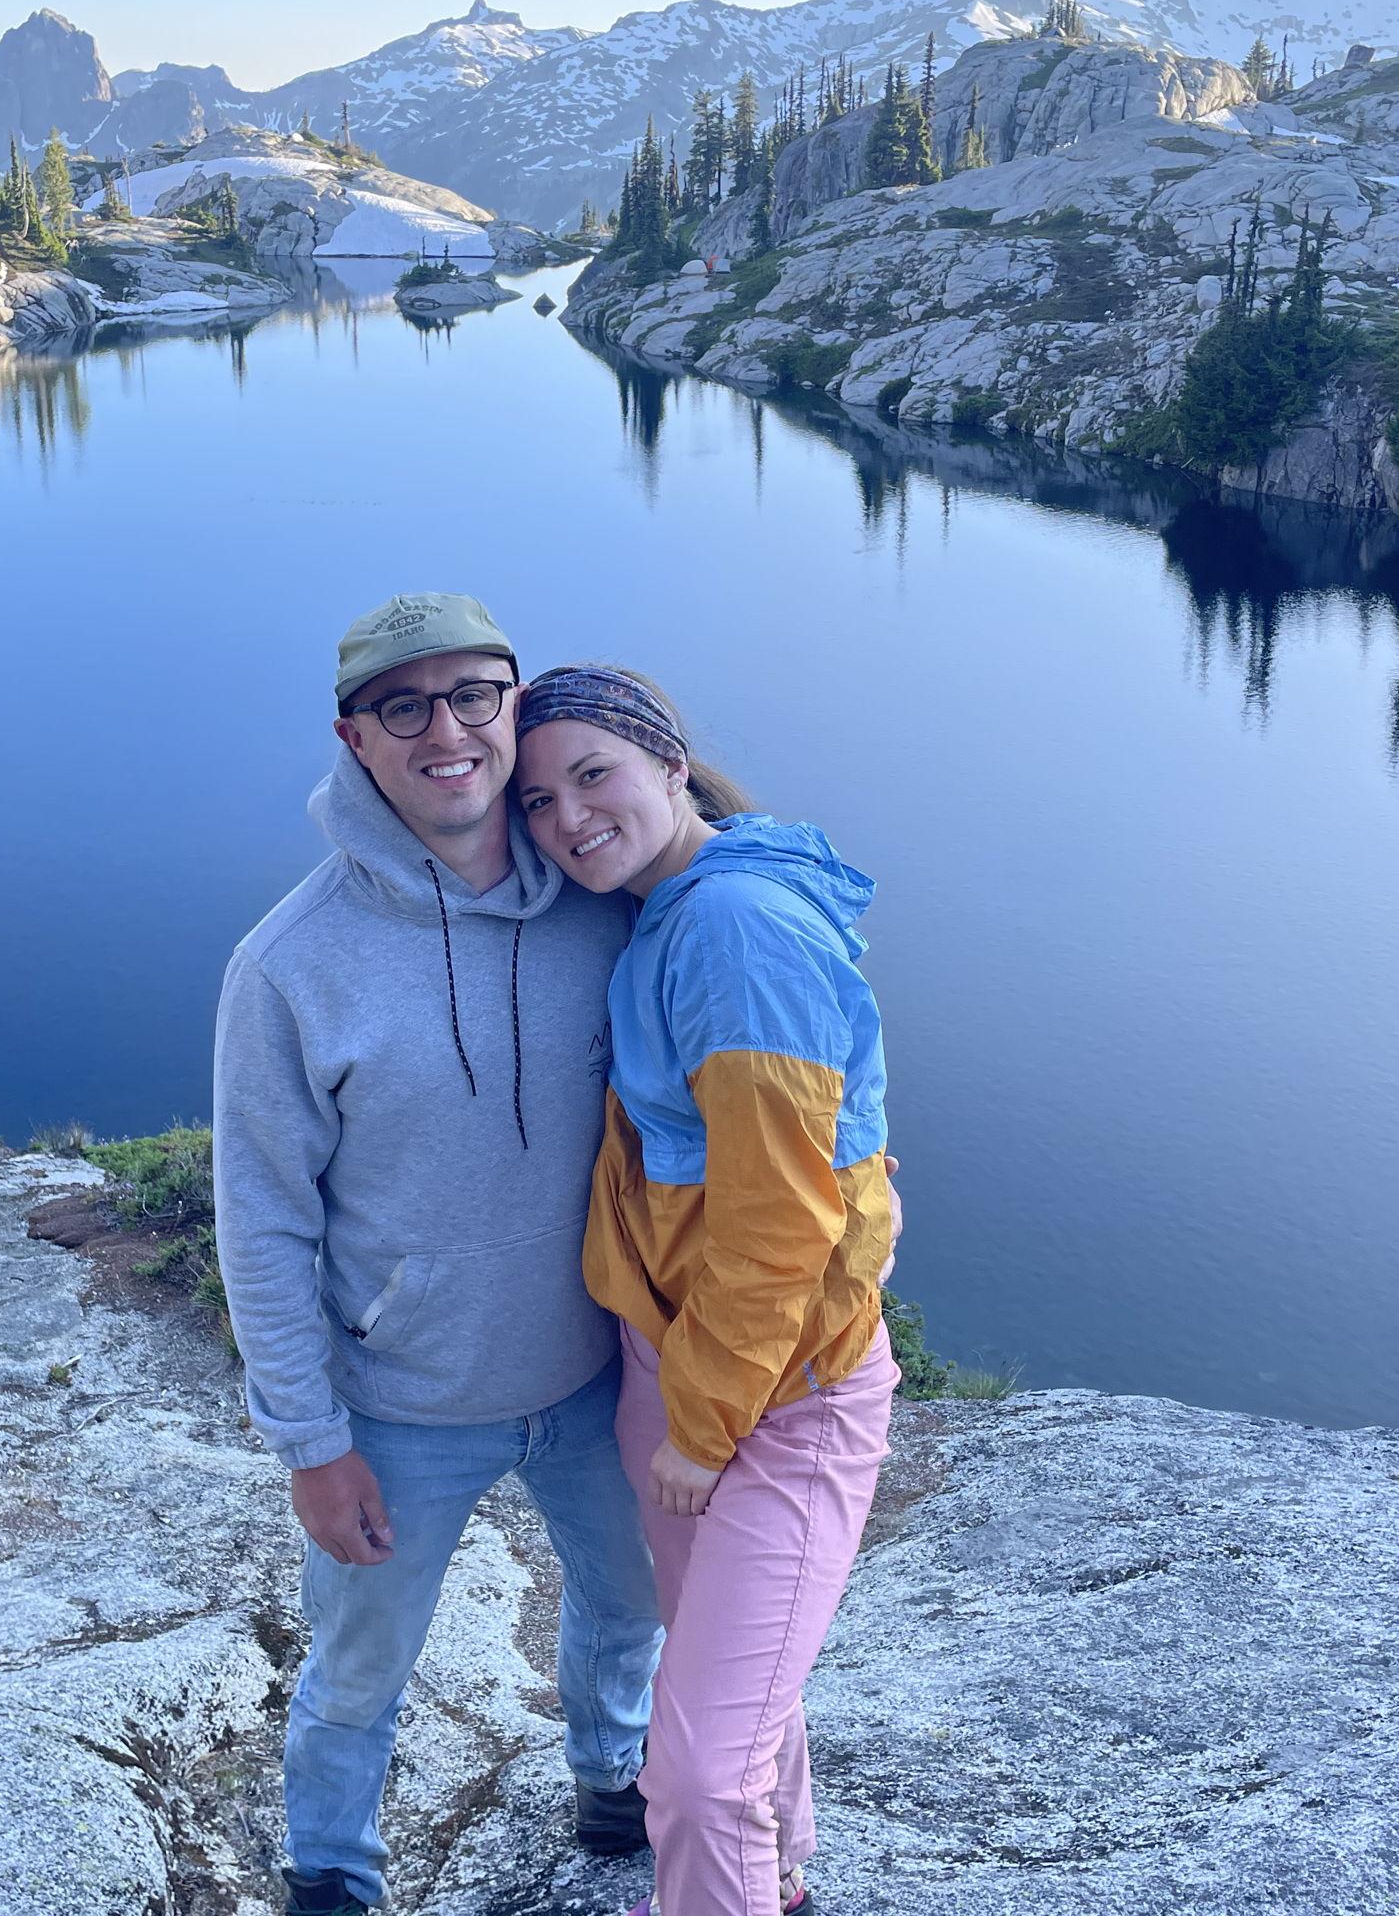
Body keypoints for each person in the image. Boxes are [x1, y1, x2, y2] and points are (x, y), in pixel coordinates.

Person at [212, 596, 663, 1915]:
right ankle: (336, 1874)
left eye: (475, 693)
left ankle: (614, 1777)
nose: (448, 730)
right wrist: (309, 1441)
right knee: (358, 1669)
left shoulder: (600, 904)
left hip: (591, 1377)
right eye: (404, 706)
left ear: (515, 703)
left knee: (629, 1610)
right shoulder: (289, 966)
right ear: (356, 739)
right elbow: (266, 1221)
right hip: (399, 1410)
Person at [515, 665, 900, 1916]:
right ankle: (766, 1889)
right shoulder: (672, 898)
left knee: (693, 1771)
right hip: (674, 1363)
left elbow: (781, 1217)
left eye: (591, 775)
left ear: (669, 763)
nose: (568, 818)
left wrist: (703, 1418)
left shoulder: (734, 927)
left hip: (772, 1395)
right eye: (535, 800)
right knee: (733, 1700)